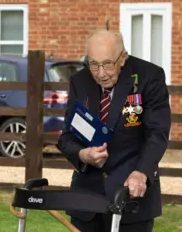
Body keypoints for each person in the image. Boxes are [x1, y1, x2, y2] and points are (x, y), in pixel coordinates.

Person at [57, 29, 170, 231]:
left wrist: (141, 172)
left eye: (108, 64)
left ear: (122, 57)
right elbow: (66, 137)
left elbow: (157, 134)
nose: (101, 73)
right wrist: (82, 154)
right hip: (86, 199)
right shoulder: (79, 81)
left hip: (131, 196)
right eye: (94, 64)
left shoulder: (149, 77)